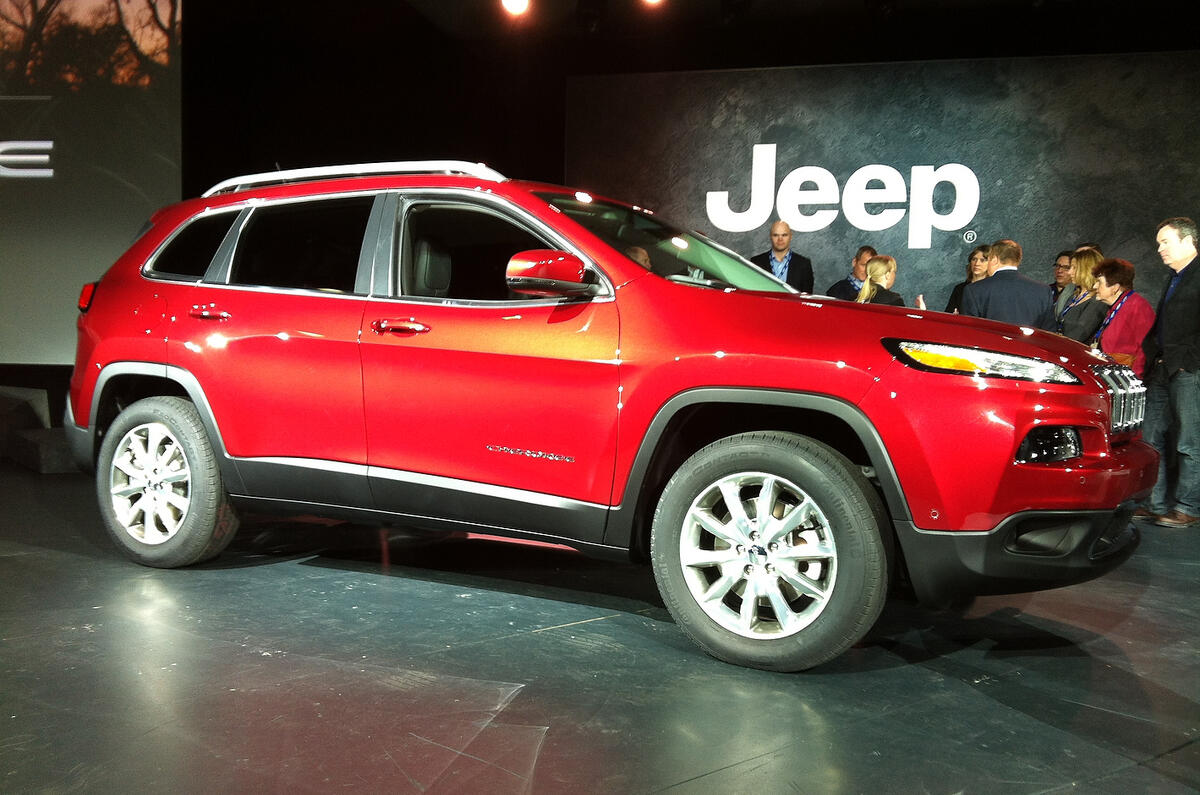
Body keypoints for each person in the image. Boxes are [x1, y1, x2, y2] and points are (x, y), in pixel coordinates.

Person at [1138, 217, 1200, 528]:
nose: (1159, 248)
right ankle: (1155, 503)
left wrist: (1189, 361)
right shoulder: (1173, 277)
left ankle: (1188, 508)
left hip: (1189, 370)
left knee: (1190, 442)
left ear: (1188, 242)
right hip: (1163, 368)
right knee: (1150, 437)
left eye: (1165, 242)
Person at [960, 239, 1055, 329]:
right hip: (1028, 346)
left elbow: (970, 332)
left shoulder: (974, 290)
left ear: (994, 260)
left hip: (991, 345)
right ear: (1018, 260)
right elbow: (1048, 333)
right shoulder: (1043, 290)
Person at [1090, 258, 1155, 377]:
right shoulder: (1116, 306)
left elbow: (1146, 349)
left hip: (1125, 379)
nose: (1095, 286)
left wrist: (1134, 379)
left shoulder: (1138, 307)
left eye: (1099, 282)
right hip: (1112, 374)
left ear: (1115, 287)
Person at [1056, 247, 1107, 342]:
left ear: (1087, 270)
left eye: (1074, 268)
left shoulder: (1098, 301)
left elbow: (1078, 335)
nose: (1070, 272)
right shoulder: (1074, 295)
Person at [749, 220, 814, 293]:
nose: (780, 239)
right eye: (776, 235)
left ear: (790, 236)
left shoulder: (804, 264)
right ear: (770, 237)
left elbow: (807, 297)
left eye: (784, 235)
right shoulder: (756, 262)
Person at [944, 244, 990, 313]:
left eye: (982, 260)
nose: (977, 263)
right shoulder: (960, 288)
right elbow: (948, 313)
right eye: (974, 259)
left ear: (991, 263)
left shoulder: (992, 289)